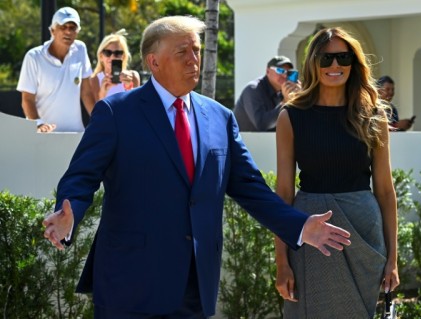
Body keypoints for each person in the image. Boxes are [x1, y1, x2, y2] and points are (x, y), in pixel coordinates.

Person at [42, 16, 352, 319]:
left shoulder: (220, 117)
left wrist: (299, 226)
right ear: (153, 62)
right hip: (129, 283)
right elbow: (82, 175)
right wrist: (68, 214)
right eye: (182, 53)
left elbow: (251, 188)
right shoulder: (116, 112)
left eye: (197, 51)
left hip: (194, 284)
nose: (194, 60)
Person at [274, 27, 400, 318]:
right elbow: (283, 193)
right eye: (326, 59)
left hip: (364, 236)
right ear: (312, 63)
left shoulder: (374, 116)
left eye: (343, 58)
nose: (335, 66)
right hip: (310, 234)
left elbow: (384, 190)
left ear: (353, 64)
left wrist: (393, 258)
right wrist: (281, 260)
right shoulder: (290, 117)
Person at [16, 7, 95, 133]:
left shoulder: (81, 49)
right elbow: (27, 99)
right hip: (44, 135)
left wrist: (99, 120)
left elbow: (86, 92)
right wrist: (39, 125)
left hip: (75, 134)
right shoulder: (33, 57)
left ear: (77, 32)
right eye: (63, 27)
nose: (68, 32)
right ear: (53, 31)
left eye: (72, 28)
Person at [233, 56, 301, 131]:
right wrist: (285, 102)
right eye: (280, 70)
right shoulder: (253, 89)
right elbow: (262, 124)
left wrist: (300, 98)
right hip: (245, 141)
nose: (285, 75)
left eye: (288, 72)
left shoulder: (283, 92)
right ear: (268, 71)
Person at [90, 29, 140, 101]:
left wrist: (129, 88)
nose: (112, 57)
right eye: (107, 53)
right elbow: (97, 111)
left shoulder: (133, 76)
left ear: (123, 56)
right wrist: (103, 93)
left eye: (117, 53)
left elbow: (136, 108)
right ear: (101, 56)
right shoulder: (95, 79)